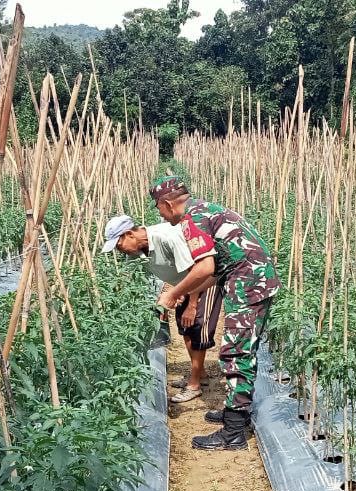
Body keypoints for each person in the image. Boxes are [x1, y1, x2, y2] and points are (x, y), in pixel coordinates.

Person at [150, 176, 280, 451]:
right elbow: (215, 273)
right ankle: (238, 413)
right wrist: (185, 290)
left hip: (249, 284)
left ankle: (233, 432)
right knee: (242, 350)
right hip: (251, 279)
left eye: (158, 208)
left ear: (167, 203)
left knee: (235, 352)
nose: (160, 214)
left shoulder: (191, 220)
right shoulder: (204, 209)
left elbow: (206, 267)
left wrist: (173, 293)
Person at [101, 214, 223, 403]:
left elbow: (196, 269)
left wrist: (191, 304)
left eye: (118, 245)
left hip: (205, 281)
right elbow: (174, 270)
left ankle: (194, 384)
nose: (119, 251)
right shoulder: (143, 249)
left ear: (129, 234)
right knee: (185, 328)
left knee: (198, 327)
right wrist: (171, 292)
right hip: (186, 284)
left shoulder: (165, 237)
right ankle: (201, 374)